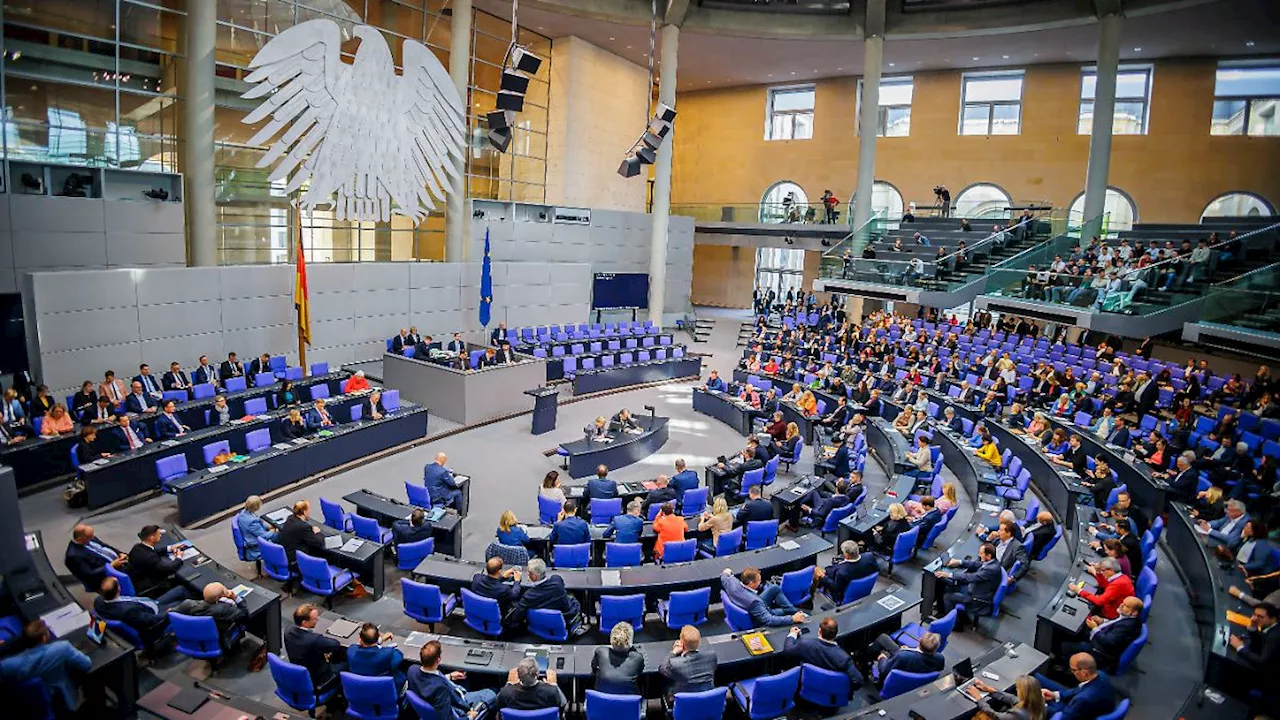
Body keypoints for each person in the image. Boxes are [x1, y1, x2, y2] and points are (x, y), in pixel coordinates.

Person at [0, 619, 92, 712]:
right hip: (62, 697)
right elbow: (87, 664)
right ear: (44, 638)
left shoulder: (7, 665)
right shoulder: (62, 648)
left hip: (26, 701)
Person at [409, 640, 497, 719]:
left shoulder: (412, 669)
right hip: (460, 703)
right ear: (438, 660)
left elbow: (431, 680)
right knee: (492, 693)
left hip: (442, 695)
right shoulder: (440, 689)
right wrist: (470, 717)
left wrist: (450, 676)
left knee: (466, 680)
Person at [1065, 597, 1144, 673]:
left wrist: (1094, 628)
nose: (1121, 605)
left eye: (1126, 606)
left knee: (1066, 645)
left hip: (1101, 653)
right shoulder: (1129, 618)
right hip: (1101, 639)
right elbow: (1115, 623)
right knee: (1076, 630)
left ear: (1134, 612)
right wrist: (1102, 621)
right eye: (1123, 603)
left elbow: (1108, 641)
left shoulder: (1126, 626)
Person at [783, 617, 863, 691]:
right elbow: (858, 681)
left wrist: (792, 634)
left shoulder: (805, 645)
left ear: (820, 631)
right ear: (836, 633)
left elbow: (787, 650)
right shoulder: (844, 658)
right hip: (832, 694)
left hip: (808, 689)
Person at [506, 558, 583, 634]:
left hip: (538, 626)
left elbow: (516, 617)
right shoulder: (557, 580)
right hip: (564, 619)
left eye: (528, 572)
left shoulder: (529, 596)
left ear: (534, 577)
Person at [934, 542, 1002, 625]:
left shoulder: (990, 569)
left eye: (981, 553)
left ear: (988, 555)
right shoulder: (993, 562)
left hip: (977, 599)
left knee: (948, 597)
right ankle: (951, 614)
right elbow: (976, 564)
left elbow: (971, 577)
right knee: (950, 586)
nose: (979, 555)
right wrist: (959, 562)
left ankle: (955, 625)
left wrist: (949, 575)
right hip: (979, 590)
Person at [283, 603, 347, 691]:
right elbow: (335, 644)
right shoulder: (314, 639)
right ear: (304, 622)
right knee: (345, 663)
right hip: (317, 678)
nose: (317, 620)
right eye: (314, 619)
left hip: (300, 670)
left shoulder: (288, 630)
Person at [93, 575, 172, 646]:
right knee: (181, 605)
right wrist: (167, 613)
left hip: (148, 604)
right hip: (154, 616)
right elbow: (151, 620)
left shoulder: (98, 601)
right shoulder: (128, 611)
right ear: (118, 589)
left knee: (180, 590)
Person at [1034, 653, 1117, 719]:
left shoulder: (1083, 700)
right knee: (1036, 677)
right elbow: (1078, 690)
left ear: (1084, 673)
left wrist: (1041, 704)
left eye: (1073, 670)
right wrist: (1054, 695)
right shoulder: (1100, 675)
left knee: (1032, 701)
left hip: (1069, 713)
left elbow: (1064, 717)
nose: (1072, 673)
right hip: (1081, 707)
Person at [172, 582, 248, 651]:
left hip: (193, 638)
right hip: (219, 639)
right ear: (217, 598)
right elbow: (244, 613)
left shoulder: (187, 604)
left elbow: (172, 612)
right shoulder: (224, 609)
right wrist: (235, 598)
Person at [719, 567, 806, 627]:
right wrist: (792, 619)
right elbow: (769, 620)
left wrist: (727, 571)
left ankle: (793, 611)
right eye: (758, 581)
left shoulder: (732, 583)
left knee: (774, 588)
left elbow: (724, 574)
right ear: (751, 584)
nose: (760, 582)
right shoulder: (754, 602)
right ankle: (795, 614)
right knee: (786, 611)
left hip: (747, 600)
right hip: (758, 615)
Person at [127, 525, 186, 600]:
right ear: (152, 538)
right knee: (182, 585)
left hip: (136, 578)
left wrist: (170, 548)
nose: (161, 536)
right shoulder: (150, 558)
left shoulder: (137, 547)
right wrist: (179, 557)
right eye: (159, 534)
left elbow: (152, 551)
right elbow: (170, 569)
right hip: (149, 585)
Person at [869, 631, 945, 687]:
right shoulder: (940, 658)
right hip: (915, 673)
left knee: (882, 646)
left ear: (919, 640)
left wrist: (882, 658)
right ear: (936, 648)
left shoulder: (902, 656)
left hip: (895, 680)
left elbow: (884, 670)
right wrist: (908, 650)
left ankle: (864, 660)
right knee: (883, 638)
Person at [494, 657, 567, 714]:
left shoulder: (506, 692)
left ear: (518, 675)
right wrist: (554, 684)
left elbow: (497, 704)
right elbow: (563, 703)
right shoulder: (551, 691)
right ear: (537, 673)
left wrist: (509, 683)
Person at [347, 622, 405, 691]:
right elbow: (399, 655)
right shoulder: (387, 654)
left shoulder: (351, 652)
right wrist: (379, 642)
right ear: (379, 636)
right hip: (384, 693)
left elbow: (356, 646)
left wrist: (379, 641)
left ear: (360, 639)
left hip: (359, 693)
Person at [593, 622, 645, 694]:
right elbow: (640, 672)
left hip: (601, 702)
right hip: (628, 703)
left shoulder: (600, 651)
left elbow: (594, 668)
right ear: (630, 641)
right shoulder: (637, 658)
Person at [1227, 602, 1280, 669]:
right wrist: (1253, 626)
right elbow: (1261, 640)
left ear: (1273, 619)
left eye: (1260, 617)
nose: (1254, 618)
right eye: (1254, 614)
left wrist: (1240, 647)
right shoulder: (1270, 624)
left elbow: (1262, 661)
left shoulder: (1274, 637)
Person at [972, 675, 1048, 720]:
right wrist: (990, 690)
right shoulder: (1039, 701)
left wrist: (979, 698)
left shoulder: (1018, 714)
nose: (1016, 689)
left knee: (979, 715)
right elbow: (1012, 699)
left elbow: (995, 716)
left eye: (1018, 688)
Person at [276, 500, 325, 569]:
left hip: (285, 555)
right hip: (295, 561)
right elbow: (318, 543)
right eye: (309, 510)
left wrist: (310, 531)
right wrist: (318, 532)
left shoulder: (290, 518)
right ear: (304, 512)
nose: (310, 512)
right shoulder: (303, 527)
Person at [236, 495, 276, 561]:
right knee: (281, 537)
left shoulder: (243, 513)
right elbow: (263, 536)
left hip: (252, 537)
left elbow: (258, 528)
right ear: (256, 507)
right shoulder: (252, 522)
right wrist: (273, 530)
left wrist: (268, 527)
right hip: (256, 546)